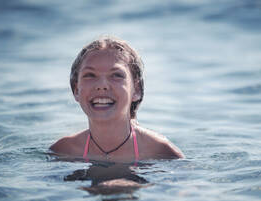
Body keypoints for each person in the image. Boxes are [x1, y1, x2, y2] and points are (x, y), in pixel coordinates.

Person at [50, 36, 184, 164]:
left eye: (116, 75)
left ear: (136, 90)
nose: (102, 85)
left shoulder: (161, 152)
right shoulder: (63, 151)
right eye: (90, 75)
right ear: (76, 90)